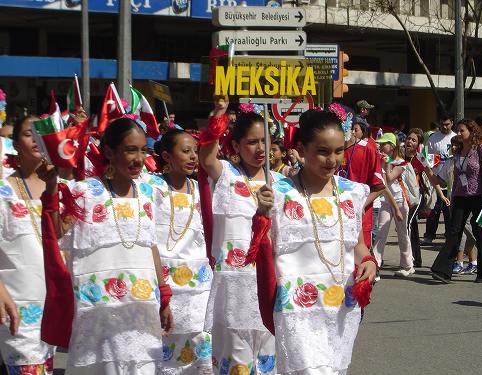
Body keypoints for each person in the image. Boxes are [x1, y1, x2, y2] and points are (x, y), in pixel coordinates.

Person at [38, 117, 173, 374]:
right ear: (109, 152)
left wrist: (164, 296)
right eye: (130, 149)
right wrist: (52, 188)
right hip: (99, 310)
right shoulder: (84, 192)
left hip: (141, 306)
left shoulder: (148, 192)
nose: (138, 158)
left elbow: (150, 246)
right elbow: (57, 231)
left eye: (143, 150)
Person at [254, 108, 377, 375]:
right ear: (301, 148)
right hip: (296, 308)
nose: (332, 159)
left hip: (339, 306)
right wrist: (261, 215)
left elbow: (357, 246)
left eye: (339, 151)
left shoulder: (352, 192)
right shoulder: (278, 194)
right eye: (323, 151)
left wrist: (368, 262)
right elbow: (260, 249)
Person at [199, 102, 277, 375]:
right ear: (235, 145)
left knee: (268, 362)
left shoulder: (280, 182)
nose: (259, 149)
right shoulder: (225, 174)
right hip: (233, 286)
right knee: (236, 365)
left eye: (264, 142)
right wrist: (218, 113)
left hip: (267, 284)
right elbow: (206, 157)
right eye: (252, 142)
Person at [153, 129, 213, 374]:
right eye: (185, 151)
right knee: (166, 340)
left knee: (200, 338)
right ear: (167, 156)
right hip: (165, 278)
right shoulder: (151, 187)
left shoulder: (202, 190)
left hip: (199, 283)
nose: (192, 157)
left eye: (195, 152)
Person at [0, 116, 56, 374]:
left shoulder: (62, 188)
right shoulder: (3, 191)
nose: (35, 138)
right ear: (15, 143)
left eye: (40, 132)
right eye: (27, 134)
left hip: (55, 303)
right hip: (18, 302)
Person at [431, 119, 482, 283]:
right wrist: (426, 168)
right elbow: (446, 179)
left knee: (480, 233)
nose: (458, 134)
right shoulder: (458, 151)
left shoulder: (481, 149)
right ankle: (443, 270)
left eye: (462, 131)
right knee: (454, 232)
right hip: (460, 197)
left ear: (471, 131)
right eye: (458, 131)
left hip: (480, 198)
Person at [337, 115, 385, 249]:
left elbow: (380, 186)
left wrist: (361, 205)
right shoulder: (332, 152)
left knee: (360, 261)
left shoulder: (368, 149)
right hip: (336, 217)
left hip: (360, 218)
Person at [404, 128, 450, 267]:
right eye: (408, 138)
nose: (409, 142)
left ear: (418, 144)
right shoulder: (399, 155)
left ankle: (409, 260)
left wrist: (441, 194)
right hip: (400, 196)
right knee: (411, 226)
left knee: (408, 224)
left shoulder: (420, 158)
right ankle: (416, 259)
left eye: (413, 140)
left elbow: (431, 176)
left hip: (416, 196)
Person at [373, 133, 414, 277]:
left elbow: (389, 178)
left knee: (402, 233)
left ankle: (407, 265)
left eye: (384, 144)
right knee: (380, 234)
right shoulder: (381, 159)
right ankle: (376, 264)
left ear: (392, 146)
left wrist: (386, 163)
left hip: (400, 201)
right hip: (385, 201)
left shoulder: (402, 162)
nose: (381, 146)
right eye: (381, 143)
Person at [421, 113, 456, 245]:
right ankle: (429, 235)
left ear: (452, 123)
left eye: (447, 124)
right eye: (442, 124)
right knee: (434, 209)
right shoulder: (433, 138)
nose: (444, 126)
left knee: (448, 209)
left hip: (451, 179)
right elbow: (428, 158)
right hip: (436, 178)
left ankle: (449, 235)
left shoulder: (455, 137)